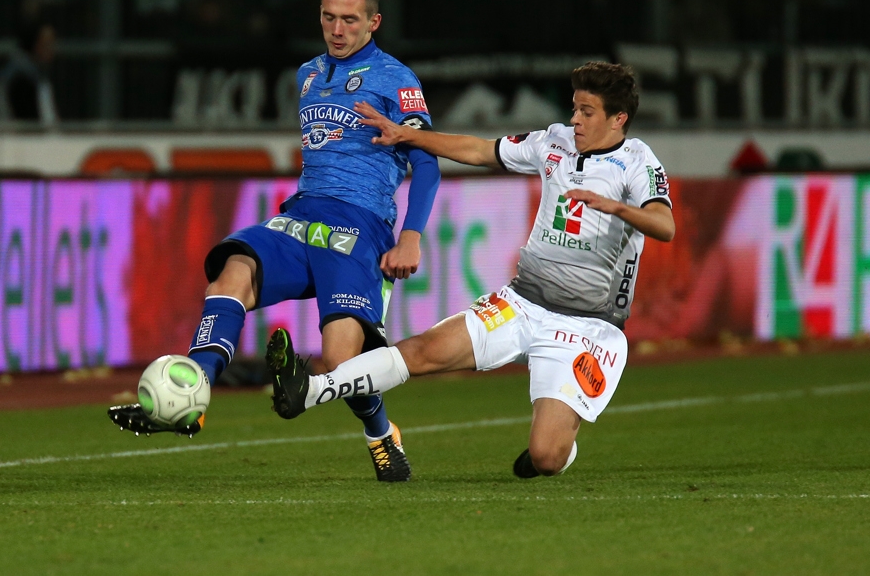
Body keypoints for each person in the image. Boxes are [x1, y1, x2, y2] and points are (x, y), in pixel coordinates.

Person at [108, 0, 439, 483]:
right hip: (301, 216)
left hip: (359, 230)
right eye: (328, 17)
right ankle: (193, 391)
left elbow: (427, 161)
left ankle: (381, 433)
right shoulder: (307, 73)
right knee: (231, 271)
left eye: (350, 20)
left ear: (374, 21)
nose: (337, 29)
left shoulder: (398, 80)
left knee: (338, 364)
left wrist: (411, 235)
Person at [266, 61, 675, 478]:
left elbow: (665, 225)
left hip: (588, 326)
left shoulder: (638, 162)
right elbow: (481, 150)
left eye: (587, 112)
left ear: (618, 118)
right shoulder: (554, 142)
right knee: (424, 350)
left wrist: (618, 207)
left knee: (546, 457)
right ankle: (309, 389)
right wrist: (408, 134)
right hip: (524, 302)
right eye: (574, 108)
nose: (575, 120)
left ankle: (554, 452)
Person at [0, 20, 59, 126]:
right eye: (47, 44)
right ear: (34, 44)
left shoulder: (38, 75)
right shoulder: (21, 78)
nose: (52, 50)